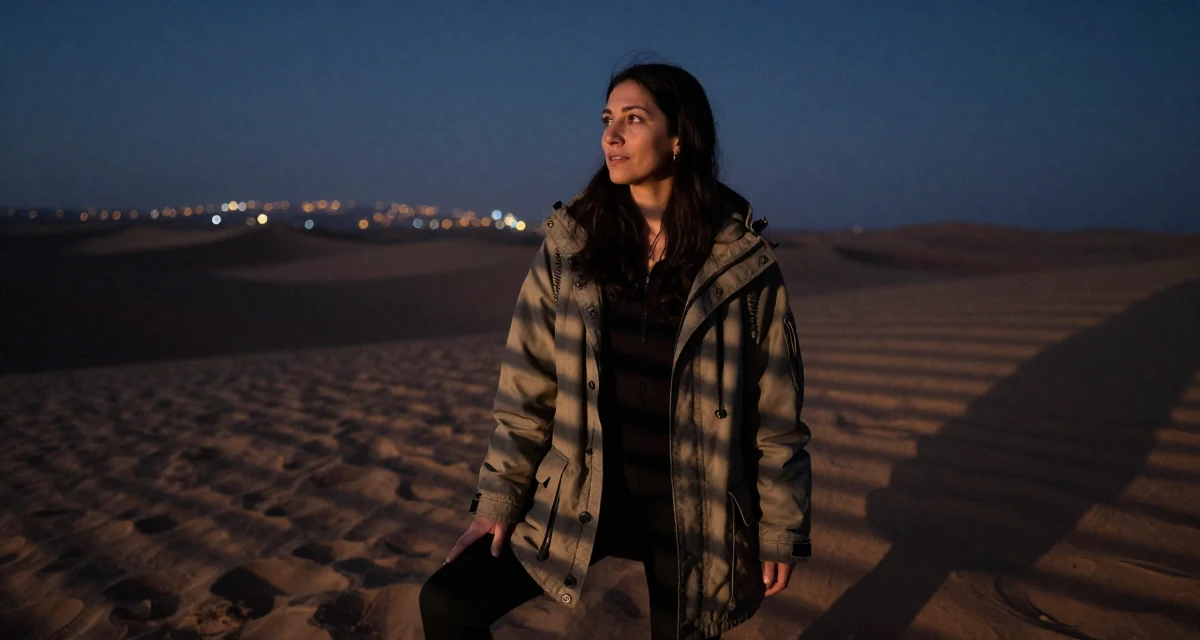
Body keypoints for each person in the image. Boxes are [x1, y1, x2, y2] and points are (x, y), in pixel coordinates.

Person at [420, 62, 812, 640]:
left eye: (634, 119)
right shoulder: (572, 243)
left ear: (679, 137)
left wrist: (781, 529)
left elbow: (775, 414)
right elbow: (526, 389)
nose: (612, 135)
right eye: (608, 119)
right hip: (582, 491)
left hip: (693, 511)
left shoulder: (741, 263)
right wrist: (498, 499)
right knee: (449, 602)